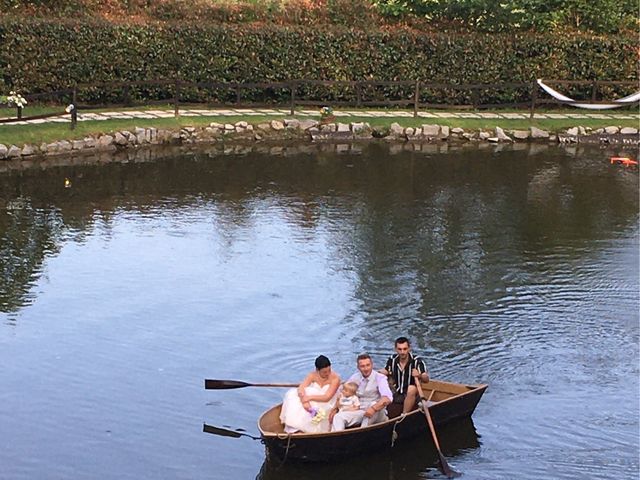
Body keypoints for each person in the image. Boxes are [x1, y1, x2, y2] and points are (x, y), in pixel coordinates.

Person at [330, 353, 392, 431]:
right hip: (360, 410)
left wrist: (373, 408)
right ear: (358, 367)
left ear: (372, 365)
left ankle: (362, 432)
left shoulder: (380, 378)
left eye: (368, 365)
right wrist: (335, 409)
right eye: (362, 366)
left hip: (377, 412)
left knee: (372, 406)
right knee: (338, 417)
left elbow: (388, 398)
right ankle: (336, 439)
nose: (366, 368)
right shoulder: (355, 377)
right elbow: (343, 391)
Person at [279, 355, 341, 433]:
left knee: (312, 398)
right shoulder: (312, 375)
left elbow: (327, 397)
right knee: (293, 395)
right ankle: (295, 427)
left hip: (327, 401)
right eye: (324, 372)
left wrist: (309, 398)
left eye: (329, 370)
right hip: (311, 399)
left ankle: (309, 428)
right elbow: (301, 388)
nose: (327, 374)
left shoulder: (335, 378)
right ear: (317, 370)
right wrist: (305, 402)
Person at [380, 336, 429, 415]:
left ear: (409, 349)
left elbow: (426, 379)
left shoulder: (417, 361)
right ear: (396, 349)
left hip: (412, 395)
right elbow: (386, 370)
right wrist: (377, 373)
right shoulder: (392, 360)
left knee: (411, 388)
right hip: (397, 392)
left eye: (405, 349)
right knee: (382, 382)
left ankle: (404, 415)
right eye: (400, 349)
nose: (402, 352)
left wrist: (419, 375)